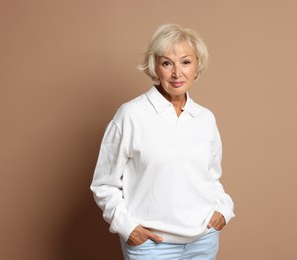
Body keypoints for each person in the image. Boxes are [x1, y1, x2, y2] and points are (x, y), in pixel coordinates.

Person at [90, 23, 235, 260]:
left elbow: (210, 178)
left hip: (202, 241)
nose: (177, 73)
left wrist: (224, 209)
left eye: (186, 62)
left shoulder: (205, 119)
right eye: (167, 63)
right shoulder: (130, 115)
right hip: (151, 247)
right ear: (154, 67)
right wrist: (127, 228)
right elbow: (104, 184)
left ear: (197, 65)